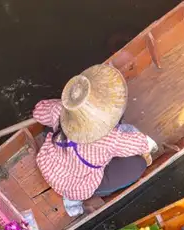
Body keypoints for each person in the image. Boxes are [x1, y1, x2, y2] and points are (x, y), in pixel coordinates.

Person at [31, 64, 158, 217]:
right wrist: (150, 144)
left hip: (49, 166)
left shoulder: (59, 110)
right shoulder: (109, 139)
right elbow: (142, 144)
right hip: (75, 186)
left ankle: (71, 195)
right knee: (138, 164)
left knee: (51, 130)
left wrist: (61, 107)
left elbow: (38, 111)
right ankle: (73, 200)